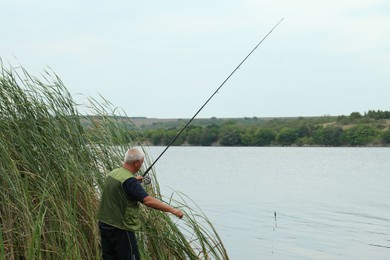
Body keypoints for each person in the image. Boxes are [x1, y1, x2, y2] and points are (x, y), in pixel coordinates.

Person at [97, 148, 184, 260]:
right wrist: (173, 210)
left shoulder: (114, 173)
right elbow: (147, 200)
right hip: (121, 228)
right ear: (136, 163)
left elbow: (122, 188)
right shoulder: (130, 181)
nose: (141, 165)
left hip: (105, 224)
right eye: (141, 163)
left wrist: (134, 181)